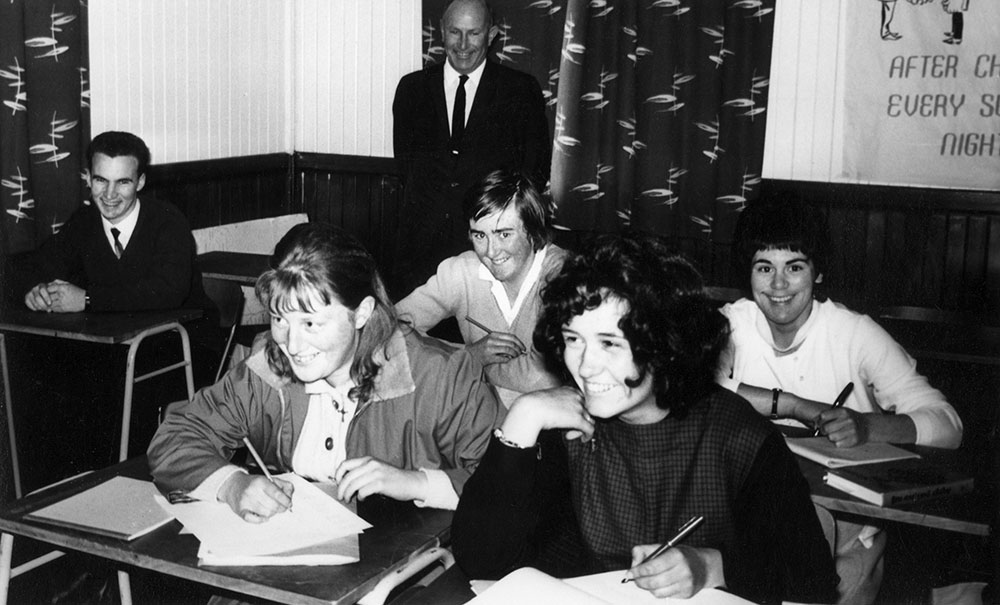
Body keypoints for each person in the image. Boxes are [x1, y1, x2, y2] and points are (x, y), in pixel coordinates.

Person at [452, 234, 839, 604]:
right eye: (573, 339)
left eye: (609, 343)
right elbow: (481, 561)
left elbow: (813, 579)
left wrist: (712, 567)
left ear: (664, 344)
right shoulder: (567, 429)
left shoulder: (738, 436)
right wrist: (523, 419)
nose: (585, 366)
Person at [148, 223, 504, 520]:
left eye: (311, 323)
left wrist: (416, 484)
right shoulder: (267, 368)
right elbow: (175, 438)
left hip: (409, 565)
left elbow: (512, 485)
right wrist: (231, 484)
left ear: (361, 313)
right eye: (279, 319)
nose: (292, 344)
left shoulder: (440, 375)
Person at [717, 196, 963, 604]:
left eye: (794, 267)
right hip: (753, 518)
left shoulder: (853, 333)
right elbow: (698, 389)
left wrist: (866, 426)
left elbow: (948, 424)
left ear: (818, 272)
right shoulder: (732, 323)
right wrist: (794, 405)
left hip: (844, 530)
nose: (778, 285)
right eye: (764, 267)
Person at [391, 0, 550, 296]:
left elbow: (534, 174)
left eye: (474, 33)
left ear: (491, 35)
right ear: (442, 32)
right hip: (419, 255)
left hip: (491, 254)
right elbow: (406, 168)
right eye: (455, 32)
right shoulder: (411, 89)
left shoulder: (521, 91)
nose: (463, 44)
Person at [395, 170, 566, 407]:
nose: (491, 251)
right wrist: (467, 355)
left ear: (532, 230)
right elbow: (389, 328)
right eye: (479, 236)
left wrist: (467, 367)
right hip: (476, 418)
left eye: (504, 234)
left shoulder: (563, 274)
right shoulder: (460, 272)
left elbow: (545, 377)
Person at [22, 131, 209, 315]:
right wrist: (36, 290)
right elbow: (40, 265)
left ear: (140, 182)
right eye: (101, 180)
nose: (109, 194)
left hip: (181, 329)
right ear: (88, 178)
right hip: (118, 331)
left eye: (123, 182)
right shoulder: (83, 221)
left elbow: (169, 292)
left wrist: (87, 300)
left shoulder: (168, 221)